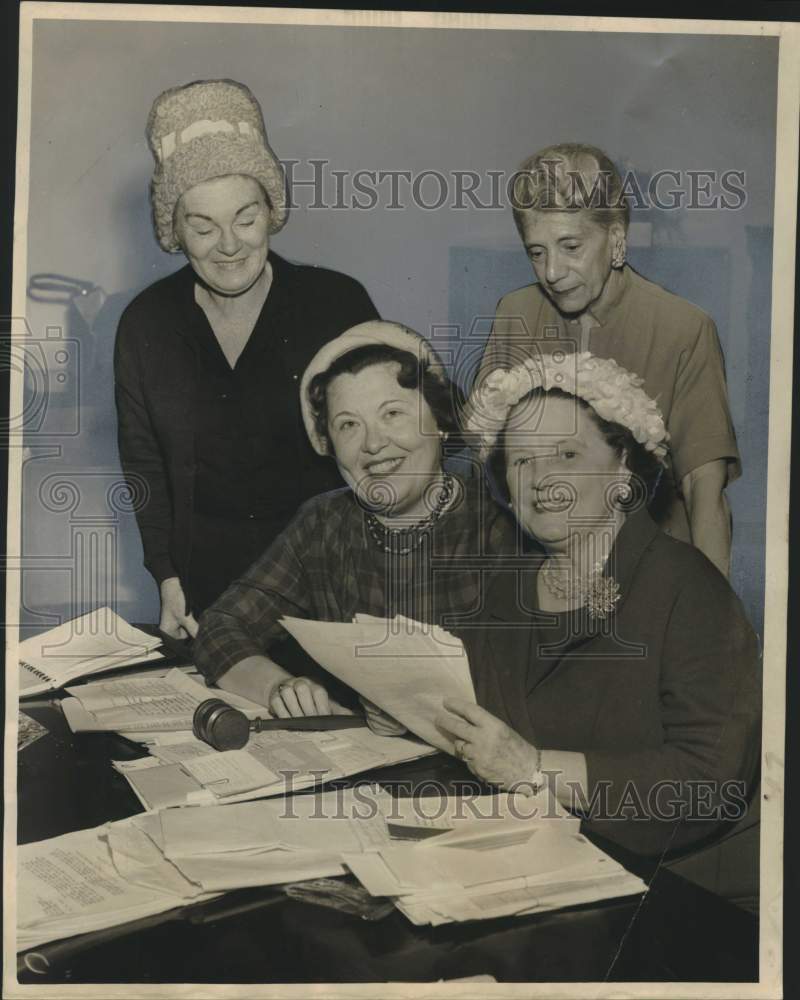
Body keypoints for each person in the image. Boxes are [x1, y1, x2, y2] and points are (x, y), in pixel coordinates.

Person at [433, 352, 760, 856]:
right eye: (522, 460)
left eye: (567, 455)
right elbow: (478, 733)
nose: (541, 479)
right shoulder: (502, 590)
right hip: (536, 854)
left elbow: (710, 782)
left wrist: (535, 770)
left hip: (672, 874)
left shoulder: (688, 589)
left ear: (622, 469)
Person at [114, 79, 378, 638]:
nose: (229, 244)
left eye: (246, 217)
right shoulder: (146, 324)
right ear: (174, 230)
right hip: (211, 598)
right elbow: (144, 464)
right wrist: (165, 577)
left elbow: (387, 452)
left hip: (335, 593)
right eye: (202, 226)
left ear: (271, 210)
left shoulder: (337, 304)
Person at [193, 321, 515, 719]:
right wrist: (278, 687)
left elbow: (544, 686)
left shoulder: (500, 523)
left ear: (441, 422)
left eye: (393, 413)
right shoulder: (323, 522)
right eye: (348, 425)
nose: (374, 444)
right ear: (327, 445)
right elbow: (220, 626)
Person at [471, 143, 739, 577]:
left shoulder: (685, 329)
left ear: (616, 240)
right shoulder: (515, 314)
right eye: (536, 252)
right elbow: (493, 467)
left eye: (570, 246)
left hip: (651, 570)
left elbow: (703, 491)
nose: (552, 272)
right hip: (541, 569)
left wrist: (714, 616)